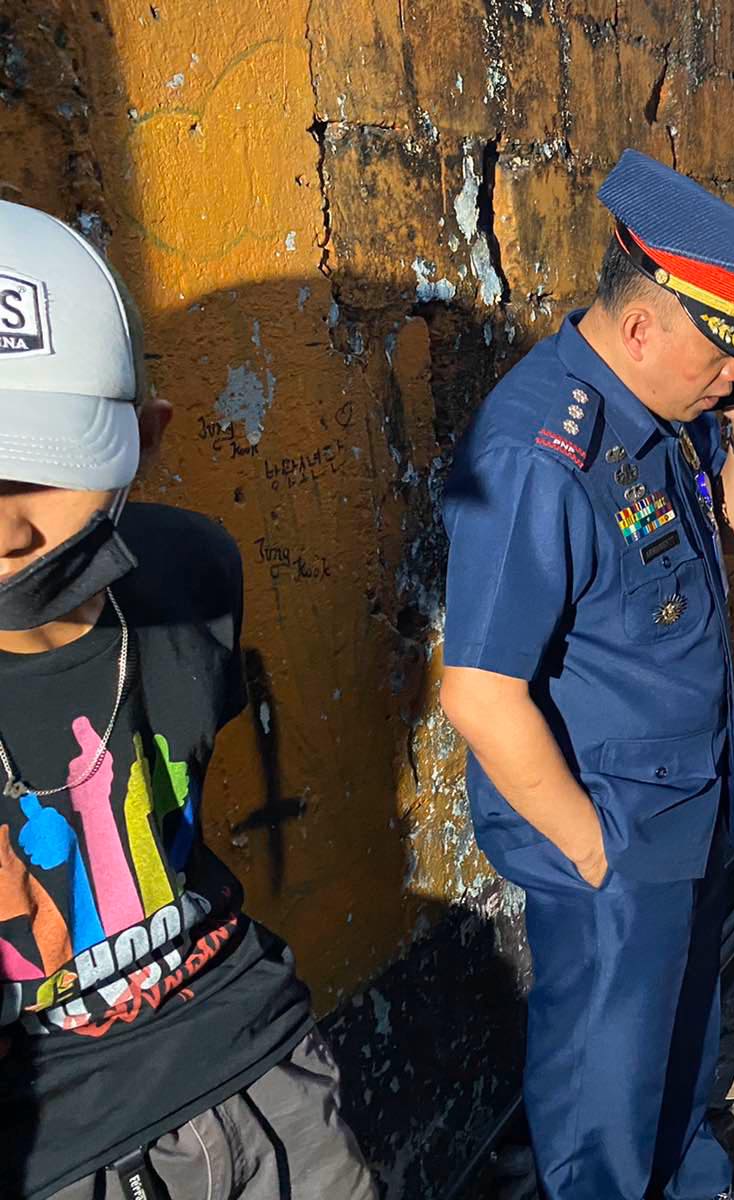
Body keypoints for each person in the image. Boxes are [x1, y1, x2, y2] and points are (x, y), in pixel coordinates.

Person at [440, 150, 734, 1200]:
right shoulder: (541, 454)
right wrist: (592, 851)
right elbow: (478, 691)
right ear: (643, 326)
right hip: (612, 831)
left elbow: (719, 546)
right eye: (724, 356)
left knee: (680, 1044)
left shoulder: (656, 416)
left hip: (684, 802)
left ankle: (690, 1182)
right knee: (603, 1098)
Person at [0, 201, 376, 1198]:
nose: (7, 531)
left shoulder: (192, 574)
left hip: (262, 1065)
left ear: (143, 442)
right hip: (57, 1149)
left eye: (43, 468)